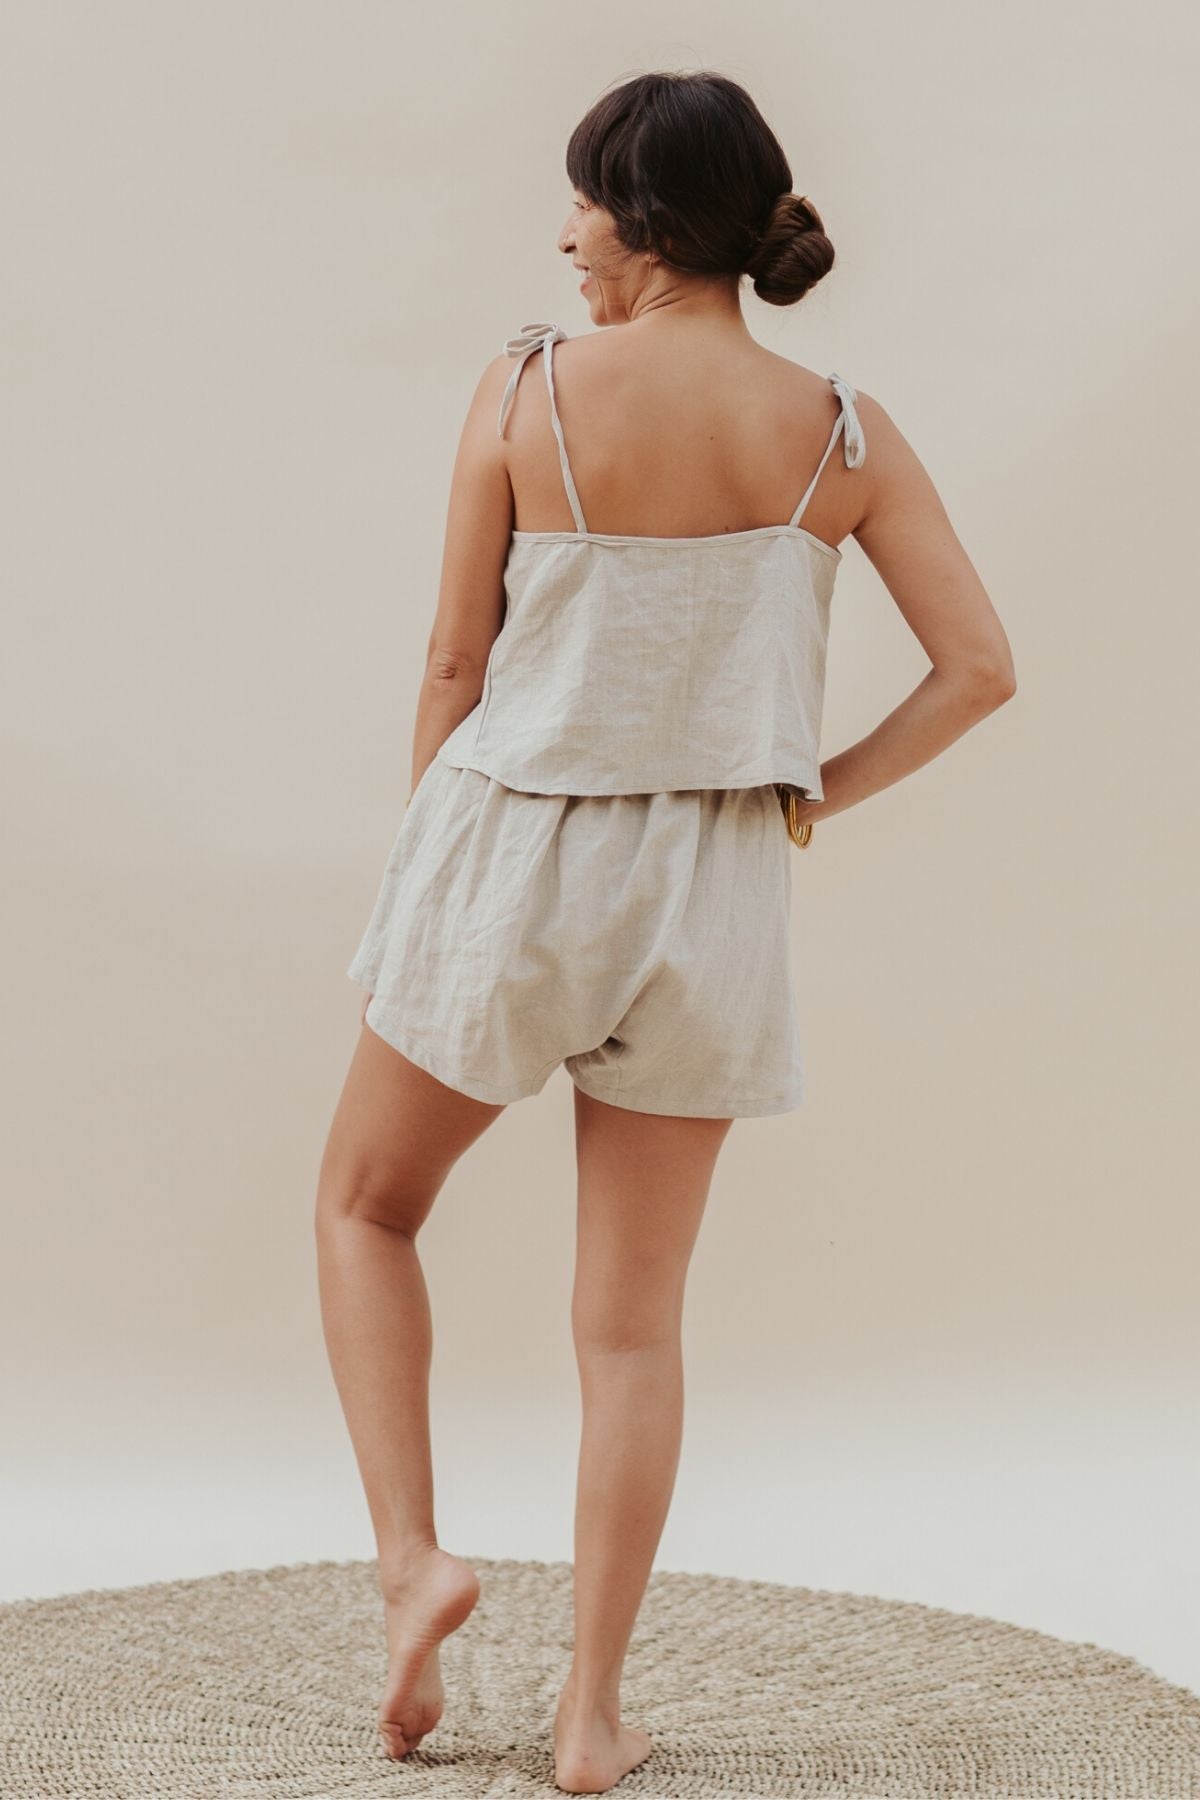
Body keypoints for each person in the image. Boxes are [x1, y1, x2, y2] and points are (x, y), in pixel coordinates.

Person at [314, 69, 1016, 1797]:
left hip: (515, 854)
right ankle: (590, 1712)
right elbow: (983, 667)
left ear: (643, 217)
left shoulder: (529, 390)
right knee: (631, 1327)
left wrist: (428, 863)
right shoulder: (842, 429)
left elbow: (452, 668)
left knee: (362, 1206)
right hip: (710, 889)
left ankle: (417, 1565)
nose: (563, 238)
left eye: (579, 205)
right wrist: (803, 795)